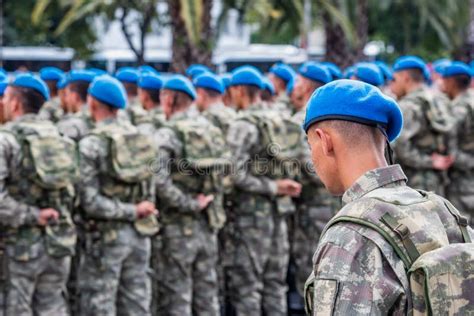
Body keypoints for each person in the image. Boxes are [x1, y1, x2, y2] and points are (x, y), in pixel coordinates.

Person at [303, 79, 474, 315]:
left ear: (325, 141)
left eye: (310, 144)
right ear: (384, 140)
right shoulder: (444, 211)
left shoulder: (351, 235)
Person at [77, 75, 158, 315]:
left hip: (106, 237)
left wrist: (128, 211)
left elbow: (89, 201)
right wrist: (138, 211)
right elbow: (150, 190)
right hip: (141, 234)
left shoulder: (91, 143)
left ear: (92, 103)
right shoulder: (143, 139)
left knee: (99, 304)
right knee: (136, 303)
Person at [224, 67, 302, 315]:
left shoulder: (243, 124)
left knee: (248, 285)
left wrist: (271, 186)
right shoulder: (280, 119)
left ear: (238, 91)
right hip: (279, 213)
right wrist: (281, 185)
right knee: (275, 283)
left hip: (251, 216)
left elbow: (235, 174)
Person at [0, 74, 78, 315]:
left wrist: (33, 215)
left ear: (15, 104)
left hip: (19, 246)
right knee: (52, 308)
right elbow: (74, 192)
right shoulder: (62, 139)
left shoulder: (7, 140)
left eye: (4, 98)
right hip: (58, 243)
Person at [152, 75, 226, 316]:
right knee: (207, 292)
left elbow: (158, 181)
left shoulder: (167, 134)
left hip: (177, 226)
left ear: (170, 99)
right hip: (208, 224)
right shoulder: (211, 131)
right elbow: (224, 173)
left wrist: (189, 204)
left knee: (177, 294)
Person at [289, 62, 337, 299]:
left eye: (297, 81)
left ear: (306, 85)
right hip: (334, 202)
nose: (293, 87)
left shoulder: (307, 117)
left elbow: (307, 165)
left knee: (311, 271)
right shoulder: (331, 115)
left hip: (312, 206)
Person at [390, 56, 454, 195]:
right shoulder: (438, 99)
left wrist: (429, 161)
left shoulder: (408, 106)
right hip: (437, 177)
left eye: (394, 79)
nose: (392, 84)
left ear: (405, 77)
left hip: (415, 179)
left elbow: (401, 147)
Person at [441, 62, 474, 224]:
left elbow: (450, 145)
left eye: (444, 80)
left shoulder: (459, 107)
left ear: (451, 81)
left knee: (465, 227)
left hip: (463, 178)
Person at [56, 70, 96, 142]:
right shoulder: (101, 117)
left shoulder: (69, 124)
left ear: (75, 96)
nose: (66, 100)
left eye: (66, 94)